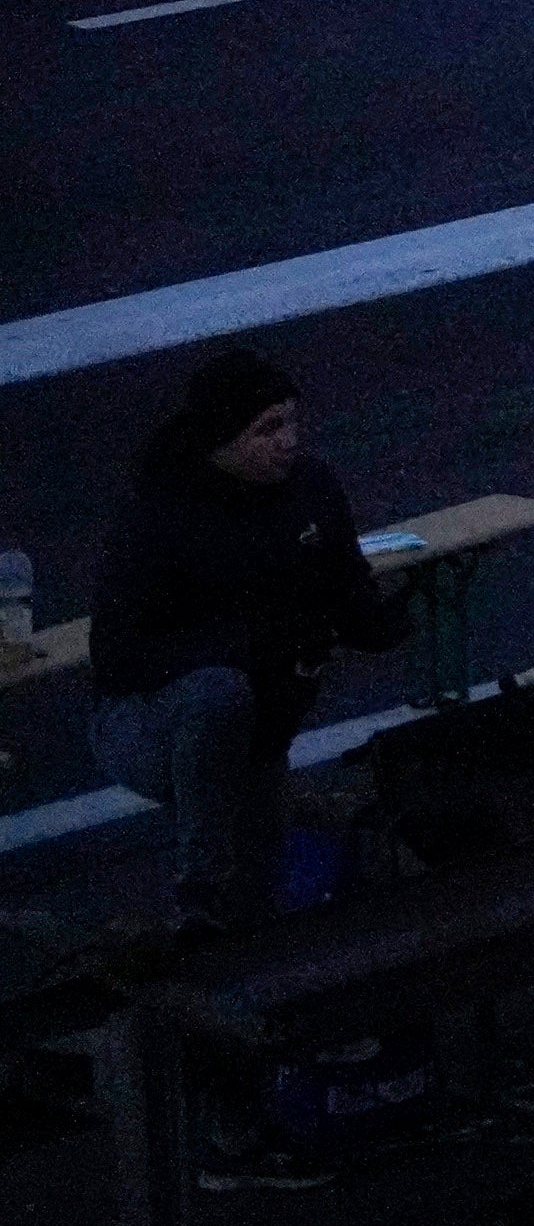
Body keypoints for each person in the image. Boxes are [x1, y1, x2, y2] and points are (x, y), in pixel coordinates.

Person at [85, 348, 399, 937]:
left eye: (292, 422)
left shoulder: (310, 489)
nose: (289, 441)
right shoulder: (161, 517)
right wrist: (248, 644)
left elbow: (350, 594)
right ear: (222, 438)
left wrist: (390, 615)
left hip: (260, 733)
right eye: (268, 429)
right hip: (148, 723)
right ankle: (197, 881)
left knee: (256, 908)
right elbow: (118, 656)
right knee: (217, 694)